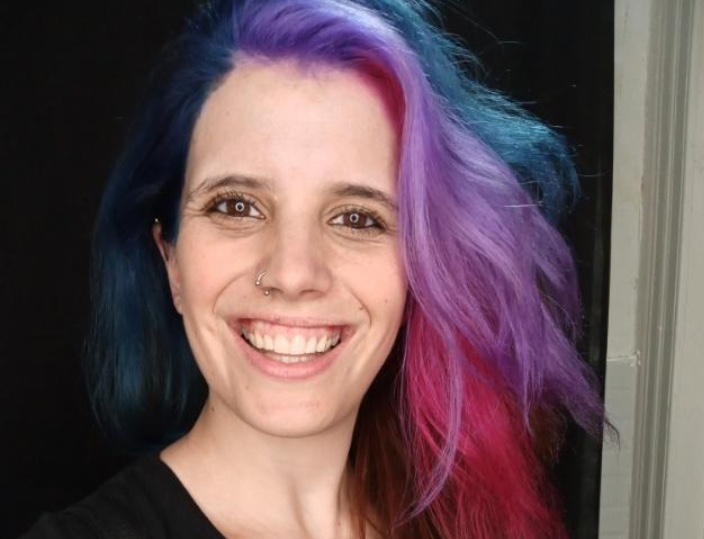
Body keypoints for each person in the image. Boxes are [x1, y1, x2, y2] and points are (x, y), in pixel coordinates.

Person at [20, 0, 606, 538]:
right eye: (236, 207)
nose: (294, 273)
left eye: (356, 218)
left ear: (424, 265)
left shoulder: (468, 518)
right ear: (170, 258)